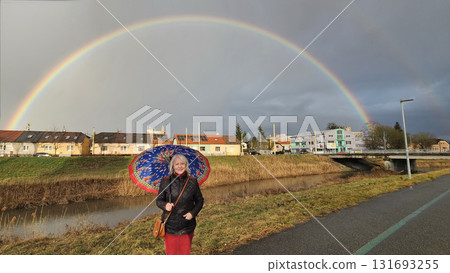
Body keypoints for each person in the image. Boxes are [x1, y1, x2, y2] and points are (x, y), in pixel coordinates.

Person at [156, 154, 204, 255]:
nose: (180, 166)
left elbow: (199, 200)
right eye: (177, 164)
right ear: (172, 166)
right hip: (170, 225)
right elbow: (158, 200)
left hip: (187, 225)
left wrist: (192, 213)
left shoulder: (193, 181)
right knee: (171, 253)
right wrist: (165, 205)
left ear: (186, 165)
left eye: (182, 163)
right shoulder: (165, 181)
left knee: (185, 253)